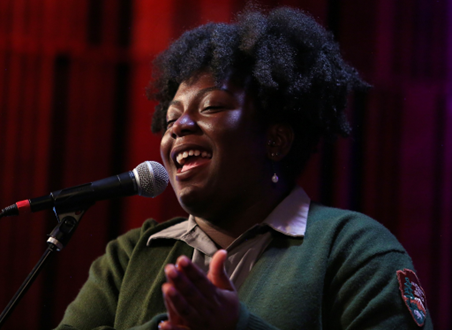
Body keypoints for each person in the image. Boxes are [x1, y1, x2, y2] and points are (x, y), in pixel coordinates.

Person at [55, 7, 433, 330]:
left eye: (211, 107)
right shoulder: (130, 255)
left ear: (275, 141)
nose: (179, 126)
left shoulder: (354, 249)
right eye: (171, 118)